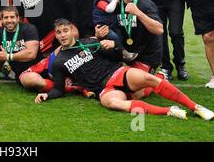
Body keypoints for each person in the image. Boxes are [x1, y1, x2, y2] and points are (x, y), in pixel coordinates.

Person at [34, 18, 214, 121]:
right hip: (104, 90)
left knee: (148, 80)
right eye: (59, 33)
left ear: (72, 31)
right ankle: (169, 110)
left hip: (118, 74)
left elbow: (117, 57)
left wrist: (113, 46)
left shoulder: (90, 42)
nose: (63, 35)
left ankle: (195, 107)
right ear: (56, 36)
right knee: (114, 104)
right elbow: (58, 88)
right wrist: (47, 95)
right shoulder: (58, 62)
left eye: (65, 30)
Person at [97, 0, 164, 75]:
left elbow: (159, 30)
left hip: (146, 56)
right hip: (124, 52)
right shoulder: (115, 4)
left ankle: (159, 76)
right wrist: (99, 34)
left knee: (135, 90)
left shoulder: (146, 5)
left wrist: (138, 13)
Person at [0, 6, 43, 85]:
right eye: (6, 17)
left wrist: (8, 56)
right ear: (2, 20)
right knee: (32, 81)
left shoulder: (29, 29)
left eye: (12, 17)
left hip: (39, 67)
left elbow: (31, 54)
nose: (9, 20)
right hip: (21, 73)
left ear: (18, 18)